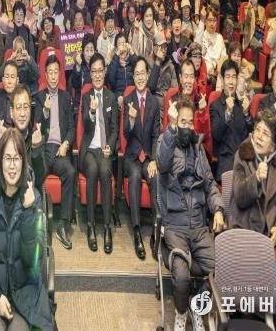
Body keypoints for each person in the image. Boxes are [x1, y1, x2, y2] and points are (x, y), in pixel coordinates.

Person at [0, 128, 54, 331]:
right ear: (0, 161)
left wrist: (27, 213)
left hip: (26, 297)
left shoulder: (33, 199)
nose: (12, 165)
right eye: (7, 158)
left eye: (17, 159)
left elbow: (34, 261)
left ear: (24, 162)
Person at [156, 95, 225, 331]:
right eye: (182, 122)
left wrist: (218, 209)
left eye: (189, 122)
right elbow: (162, 164)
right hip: (175, 225)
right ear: (176, 121)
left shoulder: (198, 149)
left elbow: (210, 184)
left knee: (223, 268)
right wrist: (171, 128)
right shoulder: (166, 141)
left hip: (198, 224)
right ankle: (181, 312)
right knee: (182, 276)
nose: (186, 126)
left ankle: (197, 305)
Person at [228, 109, 276, 280]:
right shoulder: (243, 154)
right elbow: (239, 197)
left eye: (266, 133)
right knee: (254, 278)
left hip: (268, 238)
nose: (259, 137)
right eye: (257, 130)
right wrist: (255, 178)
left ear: (273, 143)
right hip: (244, 233)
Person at [33, 55, 75, 250]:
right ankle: (37, 223)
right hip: (44, 148)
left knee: (71, 172)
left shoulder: (66, 97)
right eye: (50, 72)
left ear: (60, 74)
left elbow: (71, 127)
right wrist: (45, 112)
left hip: (59, 150)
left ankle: (63, 225)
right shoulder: (39, 97)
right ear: (45, 74)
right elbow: (36, 127)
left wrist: (66, 143)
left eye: (56, 72)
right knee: (36, 172)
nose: (53, 76)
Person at [80, 53, 118, 254]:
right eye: (93, 71)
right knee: (93, 170)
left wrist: (109, 146)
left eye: (100, 71)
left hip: (104, 150)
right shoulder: (86, 97)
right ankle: (91, 225)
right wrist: (92, 112)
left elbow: (114, 129)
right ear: (90, 73)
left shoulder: (111, 97)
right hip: (89, 149)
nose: (97, 75)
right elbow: (86, 126)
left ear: (104, 72)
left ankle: (107, 227)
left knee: (104, 171)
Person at [122, 57, 160, 260]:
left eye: (142, 73)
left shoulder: (153, 101)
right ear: (133, 77)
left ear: (147, 74)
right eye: (136, 74)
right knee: (135, 175)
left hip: (148, 157)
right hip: (132, 156)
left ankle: (155, 231)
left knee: (155, 177)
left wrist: (153, 159)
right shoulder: (128, 99)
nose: (139, 77)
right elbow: (126, 134)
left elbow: (156, 134)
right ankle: (137, 231)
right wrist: (131, 120)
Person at [210, 60, 253, 183]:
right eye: (227, 77)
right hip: (226, 162)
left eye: (234, 77)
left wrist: (247, 114)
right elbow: (216, 135)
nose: (231, 81)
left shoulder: (242, 105)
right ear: (222, 79)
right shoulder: (215, 105)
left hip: (244, 161)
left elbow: (252, 133)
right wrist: (228, 112)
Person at [194, 6, 226, 78]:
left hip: (217, 72)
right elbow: (196, 44)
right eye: (210, 20)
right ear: (205, 22)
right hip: (203, 72)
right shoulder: (201, 35)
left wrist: (217, 69)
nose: (212, 23)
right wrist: (202, 20)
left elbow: (224, 56)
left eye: (214, 21)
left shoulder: (219, 37)